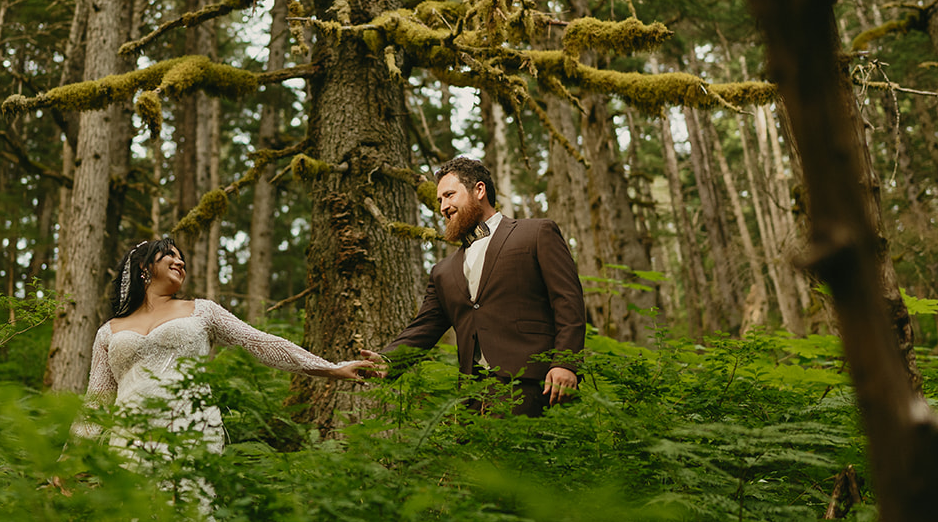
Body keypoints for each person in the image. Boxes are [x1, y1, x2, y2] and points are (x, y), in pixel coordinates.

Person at [75, 237, 379, 456]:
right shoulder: (109, 331)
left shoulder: (203, 311)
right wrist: (71, 455)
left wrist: (331, 368)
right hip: (130, 439)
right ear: (143, 265)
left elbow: (260, 343)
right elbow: (97, 401)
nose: (180, 261)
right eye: (170, 254)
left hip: (190, 429)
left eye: (182, 258)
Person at [365, 156, 586, 417]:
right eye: (439, 201)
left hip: (536, 388)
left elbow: (568, 301)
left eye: (449, 195)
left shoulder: (536, 233)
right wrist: (389, 359)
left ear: (479, 190)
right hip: (472, 398)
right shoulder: (442, 271)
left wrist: (566, 363)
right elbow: (424, 327)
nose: (443, 207)